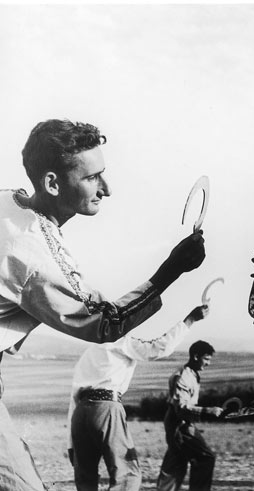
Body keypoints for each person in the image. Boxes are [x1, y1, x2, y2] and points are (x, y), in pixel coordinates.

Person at [0, 119, 205, 491]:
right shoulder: (34, 251)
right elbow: (106, 324)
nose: (106, 189)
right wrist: (172, 270)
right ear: (51, 183)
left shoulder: (5, 201)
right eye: (93, 177)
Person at [68, 304, 209, 491]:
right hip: (106, 408)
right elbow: (159, 348)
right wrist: (190, 320)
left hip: (80, 414)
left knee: (85, 479)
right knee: (128, 474)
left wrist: (71, 444)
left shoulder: (88, 353)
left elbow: (74, 398)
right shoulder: (119, 340)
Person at [157, 340, 223, 491]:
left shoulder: (191, 375)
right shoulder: (184, 377)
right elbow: (181, 409)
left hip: (181, 424)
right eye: (206, 359)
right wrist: (208, 411)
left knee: (175, 463)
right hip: (180, 425)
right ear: (195, 356)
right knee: (205, 458)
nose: (208, 363)